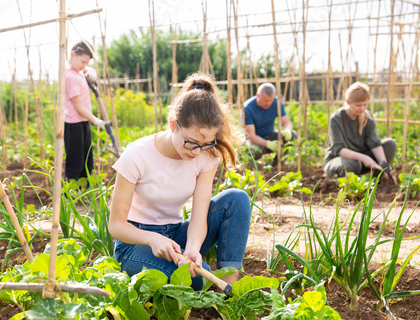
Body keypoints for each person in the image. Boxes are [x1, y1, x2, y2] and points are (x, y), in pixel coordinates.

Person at [109, 73, 251, 291]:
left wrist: (193, 247)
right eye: (191, 143)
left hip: (177, 235)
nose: (197, 152)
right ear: (173, 124)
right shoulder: (137, 155)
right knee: (195, 279)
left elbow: (199, 216)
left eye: (205, 144)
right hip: (135, 242)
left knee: (237, 199)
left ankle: (229, 289)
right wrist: (152, 239)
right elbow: (116, 226)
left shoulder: (206, 155)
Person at [324, 82, 397, 184]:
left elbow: (375, 144)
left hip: (362, 163)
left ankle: (377, 180)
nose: (362, 108)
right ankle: (343, 183)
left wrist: (385, 168)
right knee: (352, 164)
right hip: (340, 160)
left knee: (390, 144)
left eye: (365, 105)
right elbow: (339, 149)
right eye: (358, 105)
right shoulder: (337, 118)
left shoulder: (367, 117)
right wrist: (363, 157)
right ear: (348, 102)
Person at [64, 40, 108, 181]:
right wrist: (96, 120)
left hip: (83, 122)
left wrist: (90, 71)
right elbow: (78, 106)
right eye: (83, 62)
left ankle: (84, 188)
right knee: (75, 160)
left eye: (87, 63)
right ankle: (70, 191)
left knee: (87, 159)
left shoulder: (78, 71)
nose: (84, 66)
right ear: (72, 55)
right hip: (73, 125)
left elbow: (85, 70)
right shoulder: (69, 76)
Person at [244, 83, 297, 161]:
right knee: (252, 152)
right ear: (258, 96)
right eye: (265, 100)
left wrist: (287, 130)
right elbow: (251, 136)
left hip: (270, 136)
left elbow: (287, 123)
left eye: (270, 100)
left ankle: (277, 163)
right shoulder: (247, 108)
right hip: (255, 141)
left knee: (293, 135)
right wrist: (268, 144)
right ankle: (254, 168)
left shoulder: (277, 103)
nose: (268, 103)